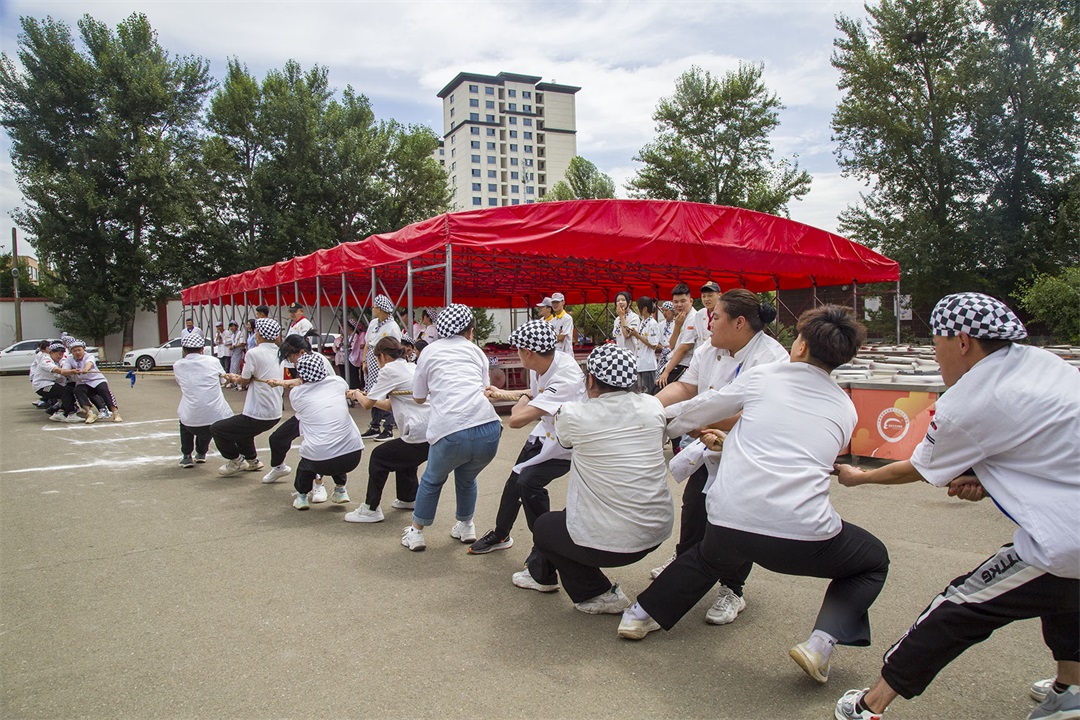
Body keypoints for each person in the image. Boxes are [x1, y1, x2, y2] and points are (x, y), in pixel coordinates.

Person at [832, 293, 1079, 720]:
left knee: (958, 606)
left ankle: (870, 705)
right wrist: (988, 478)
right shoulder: (1045, 365)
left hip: (1065, 538)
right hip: (1068, 521)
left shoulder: (969, 402)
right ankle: (1070, 690)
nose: (935, 352)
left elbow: (919, 468)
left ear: (962, 341)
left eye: (936, 341)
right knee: (1069, 599)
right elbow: (1046, 449)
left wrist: (860, 477)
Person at [620, 307, 889, 692]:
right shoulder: (846, 406)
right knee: (873, 561)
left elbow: (698, 409)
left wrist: (644, 423)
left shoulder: (763, 376)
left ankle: (638, 614)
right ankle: (820, 644)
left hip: (731, 520)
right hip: (803, 534)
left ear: (800, 346)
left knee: (709, 554)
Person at [649, 288, 789, 624]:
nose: (708, 322)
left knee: (736, 522)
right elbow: (687, 388)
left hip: (746, 450)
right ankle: (684, 563)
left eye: (715, 317)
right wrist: (650, 406)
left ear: (740, 323)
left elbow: (752, 414)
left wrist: (693, 420)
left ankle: (732, 589)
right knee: (695, 505)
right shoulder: (709, 349)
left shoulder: (772, 360)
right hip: (707, 446)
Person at [511, 344, 673, 615]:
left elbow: (564, 438)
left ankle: (596, 592)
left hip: (612, 544)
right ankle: (541, 572)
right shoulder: (653, 406)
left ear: (590, 380)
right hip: (656, 531)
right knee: (565, 519)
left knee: (545, 526)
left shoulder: (575, 414)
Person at [469, 320, 587, 556]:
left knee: (529, 484)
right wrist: (504, 392)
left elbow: (516, 420)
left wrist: (520, 398)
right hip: (546, 433)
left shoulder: (566, 376)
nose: (517, 354)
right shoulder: (544, 364)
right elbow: (535, 394)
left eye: (518, 350)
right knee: (515, 481)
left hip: (566, 443)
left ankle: (544, 548)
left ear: (529, 353)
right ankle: (501, 533)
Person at [401, 304, 502, 551]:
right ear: (470, 330)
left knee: (432, 480)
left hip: (451, 431)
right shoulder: (476, 352)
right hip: (489, 429)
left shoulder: (429, 352)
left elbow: (418, 397)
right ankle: (466, 526)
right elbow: (484, 389)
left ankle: (416, 533)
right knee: (467, 479)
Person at [344, 337, 431, 523]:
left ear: (382, 356)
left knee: (379, 456)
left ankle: (371, 509)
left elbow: (367, 405)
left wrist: (357, 394)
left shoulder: (389, 370)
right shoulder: (410, 366)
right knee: (401, 454)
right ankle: (409, 498)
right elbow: (391, 405)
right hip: (431, 432)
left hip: (418, 433)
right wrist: (364, 396)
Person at [266, 354, 359, 511]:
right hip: (353, 456)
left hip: (319, 461)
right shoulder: (338, 382)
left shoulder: (297, 394)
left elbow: (304, 394)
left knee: (308, 461)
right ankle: (340, 490)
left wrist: (293, 383)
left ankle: (302, 496)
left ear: (301, 373)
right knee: (338, 444)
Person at [212, 318, 284, 476]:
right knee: (243, 431)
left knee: (217, 429)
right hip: (275, 411)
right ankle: (253, 461)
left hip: (259, 412)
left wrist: (233, 378)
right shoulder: (280, 353)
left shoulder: (254, 353)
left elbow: (244, 381)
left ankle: (236, 460)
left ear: (258, 335)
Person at [173, 332, 233, 468]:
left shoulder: (178, 365)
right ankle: (201, 453)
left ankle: (187, 455)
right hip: (216, 418)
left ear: (184, 350)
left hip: (192, 421)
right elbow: (223, 380)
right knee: (208, 412)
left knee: (187, 417)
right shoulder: (213, 361)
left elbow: (182, 383)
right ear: (202, 349)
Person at [362, 295, 402, 441]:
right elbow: (368, 343)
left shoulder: (392, 327)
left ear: (381, 309)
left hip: (385, 360)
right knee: (373, 391)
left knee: (386, 393)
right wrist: (364, 361)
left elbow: (395, 348)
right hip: (373, 359)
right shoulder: (373, 323)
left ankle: (388, 428)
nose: (373, 309)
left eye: (374, 307)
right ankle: (375, 425)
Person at [60, 340, 122, 423]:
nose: (77, 353)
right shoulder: (69, 359)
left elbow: (89, 363)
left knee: (104, 390)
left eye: (79, 350)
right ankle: (89, 413)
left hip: (96, 379)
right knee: (78, 390)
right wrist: (73, 371)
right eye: (74, 351)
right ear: (71, 352)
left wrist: (86, 369)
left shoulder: (89, 356)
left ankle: (115, 413)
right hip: (82, 382)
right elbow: (63, 371)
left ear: (84, 349)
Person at [37, 342, 81, 422]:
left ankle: (60, 413)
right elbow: (57, 370)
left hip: (51, 384)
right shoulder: (45, 360)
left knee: (70, 390)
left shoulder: (57, 361)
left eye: (61, 354)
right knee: (64, 392)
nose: (60, 356)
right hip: (42, 387)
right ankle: (71, 414)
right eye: (58, 354)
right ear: (51, 352)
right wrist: (71, 371)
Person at [627, 296, 661, 393]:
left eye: (639, 307)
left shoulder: (653, 324)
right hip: (640, 362)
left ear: (645, 309)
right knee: (641, 392)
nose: (637, 310)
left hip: (648, 363)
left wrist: (637, 336)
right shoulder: (643, 322)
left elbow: (653, 345)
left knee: (649, 392)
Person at [656, 300, 676, 373]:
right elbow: (656, 341)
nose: (664, 313)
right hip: (663, 353)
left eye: (666, 310)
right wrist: (663, 348)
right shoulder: (660, 325)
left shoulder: (677, 324)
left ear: (673, 312)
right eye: (663, 310)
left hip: (673, 354)